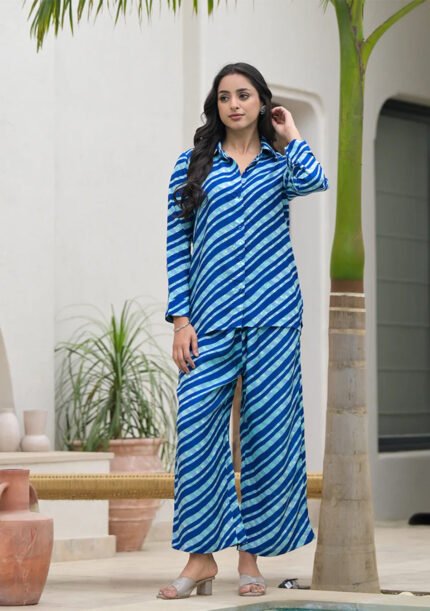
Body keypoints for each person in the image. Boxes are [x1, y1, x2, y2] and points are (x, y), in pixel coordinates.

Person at [157, 62, 329, 600]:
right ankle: (200, 558)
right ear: (216, 105)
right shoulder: (192, 164)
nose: (234, 104)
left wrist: (291, 133)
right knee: (197, 433)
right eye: (225, 96)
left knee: (267, 436)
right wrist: (180, 318)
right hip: (208, 320)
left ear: (261, 102)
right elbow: (177, 245)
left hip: (274, 317)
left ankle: (250, 559)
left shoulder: (281, 163)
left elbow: (315, 180)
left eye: (245, 95)